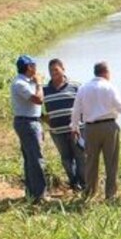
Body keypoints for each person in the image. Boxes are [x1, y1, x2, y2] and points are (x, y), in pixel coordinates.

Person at [71, 61, 121, 200]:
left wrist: (74, 126)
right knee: (111, 162)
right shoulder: (110, 87)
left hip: (90, 128)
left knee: (91, 161)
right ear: (106, 72)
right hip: (109, 127)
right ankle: (110, 194)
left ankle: (90, 192)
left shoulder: (83, 88)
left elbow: (76, 109)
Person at [42, 59, 85, 192]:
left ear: (63, 69)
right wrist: (45, 119)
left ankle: (82, 184)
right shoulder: (44, 89)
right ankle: (73, 182)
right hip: (57, 131)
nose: (53, 73)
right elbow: (36, 108)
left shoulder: (76, 86)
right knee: (66, 159)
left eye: (55, 69)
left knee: (81, 157)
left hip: (76, 129)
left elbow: (85, 105)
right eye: (50, 70)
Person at [10, 55, 47, 202]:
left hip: (31, 121)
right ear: (29, 67)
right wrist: (39, 84)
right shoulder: (20, 84)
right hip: (27, 123)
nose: (36, 69)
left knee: (30, 158)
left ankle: (32, 193)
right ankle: (40, 194)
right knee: (36, 158)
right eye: (34, 65)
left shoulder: (26, 82)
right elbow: (38, 100)